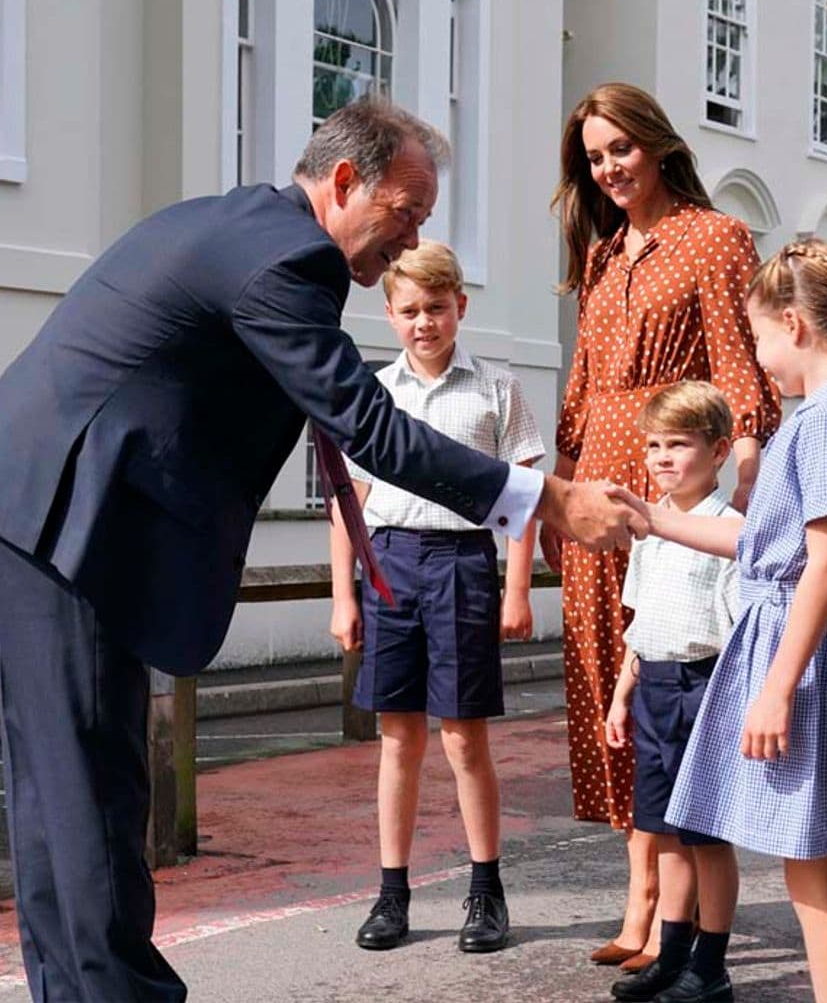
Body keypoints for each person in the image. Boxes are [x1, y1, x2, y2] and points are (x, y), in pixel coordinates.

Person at [0, 97, 643, 1002]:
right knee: (91, 796)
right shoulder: (286, 258)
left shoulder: (245, 225)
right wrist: (544, 500)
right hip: (69, 518)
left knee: (56, 799)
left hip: (38, 512)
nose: (411, 237)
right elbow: (370, 427)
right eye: (407, 212)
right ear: (346, 183)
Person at [615, 240, 827, 1003]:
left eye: (760, 339)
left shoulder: (824, 424)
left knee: (814, 886)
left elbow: (826, 563)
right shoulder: (824, 419)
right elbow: (758, 543)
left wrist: (776, 688)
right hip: (796, 647)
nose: (760, 357)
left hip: (796, 657)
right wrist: (652, 519)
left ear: (793, 325)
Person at [544, 82, 780, 969]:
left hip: (669, 486)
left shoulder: (714, 238)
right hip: (596, 493)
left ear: (657, 144)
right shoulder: (603, 257)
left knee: (668, 685)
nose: (608, 169)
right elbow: (577, 389)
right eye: (595, 158)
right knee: (610, 689)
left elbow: (739, 368)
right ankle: (637, 891)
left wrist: (746, 476)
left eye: (620, 150)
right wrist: (559, 493)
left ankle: (666, 907)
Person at [326, 240, 544, 954]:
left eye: (438, 308)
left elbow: (524, 497)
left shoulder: (495, 389)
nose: (425, 323)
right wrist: (344, 597)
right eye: (411, 310)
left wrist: (517, 587)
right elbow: (347, 506)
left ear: (461, 307)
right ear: (388, 313)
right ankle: (393, 893)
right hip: (389, 563)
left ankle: (486, 889)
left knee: (463, 736)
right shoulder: (375, 394)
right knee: (398, 738)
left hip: (462, 564)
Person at [603, 381, 742, 1003]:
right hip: (656, 686)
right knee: (666, 834)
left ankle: (711, 967)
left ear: (718, 452)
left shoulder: (731, 531)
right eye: (654, 444)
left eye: (678, 444)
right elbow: (643, 624)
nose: (662, 457)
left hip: (705, 687)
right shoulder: (649, 527)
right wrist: (622, 694)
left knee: (707, 838)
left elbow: (742, 631)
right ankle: (673, 952)